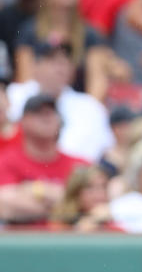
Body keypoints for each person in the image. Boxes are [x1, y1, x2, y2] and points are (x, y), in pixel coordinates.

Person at [6, 42, 114, 163]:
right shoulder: (13, 95)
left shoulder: (91, 107)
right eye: (52, 61)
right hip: (19, 174)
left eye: (65, 62)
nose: (60, 68)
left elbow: (108, 152)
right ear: (35, 65)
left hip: (77, 176)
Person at [0, 94, 86, 224]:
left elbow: (90, 203)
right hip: (22, 241)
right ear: (23, 121)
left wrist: (34, 189)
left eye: (52, 112)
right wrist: (66, 206)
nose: (47, 117)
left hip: (71, 240)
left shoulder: (79, 164)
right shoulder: (6, 161)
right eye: (38, 112)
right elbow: (4, 205)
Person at [49, 164, 111, 231]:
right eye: (90, 187)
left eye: (104, 187)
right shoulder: (61, 221)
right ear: (76, 191)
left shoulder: (114, 218)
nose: (100, 194)